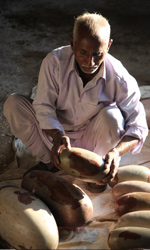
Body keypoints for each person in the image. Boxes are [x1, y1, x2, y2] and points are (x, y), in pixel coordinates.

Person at [3, 12, 148, 191]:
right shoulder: (54, 62)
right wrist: (57, 136)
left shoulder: (119, 78)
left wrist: (116, 152)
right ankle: (49, 161)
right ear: (72, 43)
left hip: (92, 140)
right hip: (53, 138)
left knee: (113, 117)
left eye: (98, 54)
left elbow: (138, 126)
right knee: (13, 104)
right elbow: (43, 106)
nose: (90, 61)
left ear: (109, 46)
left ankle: (95, 169)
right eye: (83, 52)